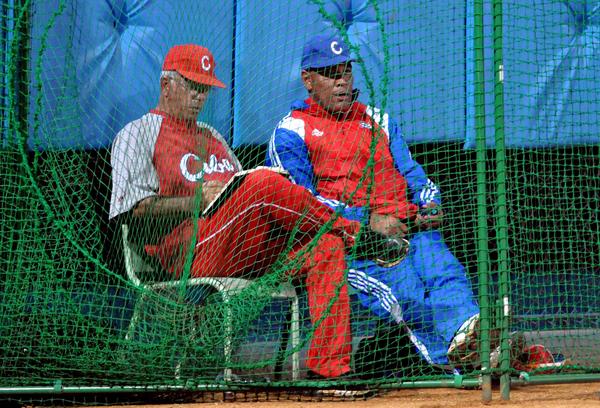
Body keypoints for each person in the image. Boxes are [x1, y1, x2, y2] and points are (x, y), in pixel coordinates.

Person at [108, 43, 402, 381]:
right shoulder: (138, 133)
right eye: (192, 85)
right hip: (189, 252)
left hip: (241, 245)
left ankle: (329, 371)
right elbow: (134, 210)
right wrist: (197, 200)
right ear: (166, 85)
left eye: (205, 88)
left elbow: (243, 195)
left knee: (325, 248)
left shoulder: (212, 136)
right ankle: (355, 233)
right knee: (263, 183)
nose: (199, 96)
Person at [267, 33, 493, 371]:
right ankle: (464, 360)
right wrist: (367, 220)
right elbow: (301, 204)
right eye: (331, 74)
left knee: (448, 277)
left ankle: (484, 347)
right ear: (308, 80)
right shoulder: (291, 130)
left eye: (346, 72)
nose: (342, 82)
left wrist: (430, 204)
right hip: (360, 245)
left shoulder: (379, 119)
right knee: (409, 296)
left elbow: (416, 176)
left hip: (412, 232)